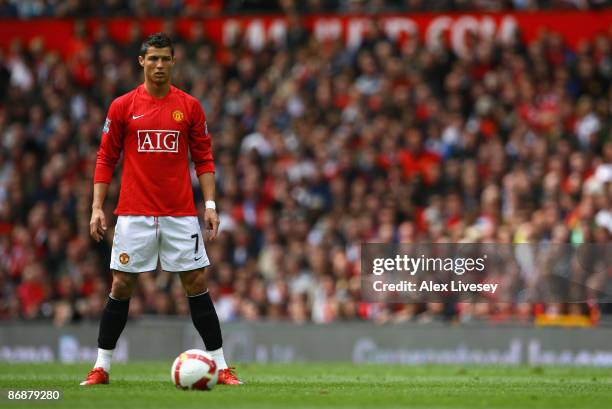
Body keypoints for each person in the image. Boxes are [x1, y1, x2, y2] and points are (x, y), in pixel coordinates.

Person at [80, 33, 242, 386]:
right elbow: (106, 157)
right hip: (134, 213)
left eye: (165, 59)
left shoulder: (190, 106)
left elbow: (204, 158)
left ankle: (222, 365)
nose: (158, 65)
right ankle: (101, 367)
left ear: (173, 62)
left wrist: (211, 205)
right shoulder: (122, 106)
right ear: (141, 61)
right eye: (152, 59)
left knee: (196, 282)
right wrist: (96, 207)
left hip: (180, 213)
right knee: (121, 284)